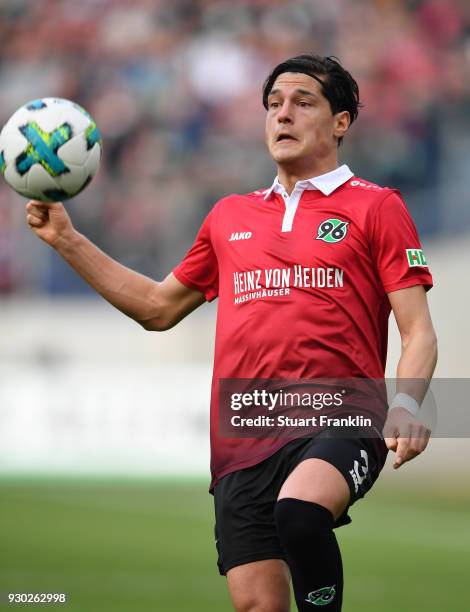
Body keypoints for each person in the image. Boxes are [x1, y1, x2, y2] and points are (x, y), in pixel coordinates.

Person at [25, 54, 437, 611]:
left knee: (302, 511)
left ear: (341, 122)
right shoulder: (228, 216)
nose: (282, 115)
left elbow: (418, 330)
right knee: (258, 606)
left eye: (302, 102)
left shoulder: (376, 206)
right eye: (273, 105)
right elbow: (156, 307)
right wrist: (66, 240)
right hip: (243, 434)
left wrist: (408, 402)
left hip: (341, 415)